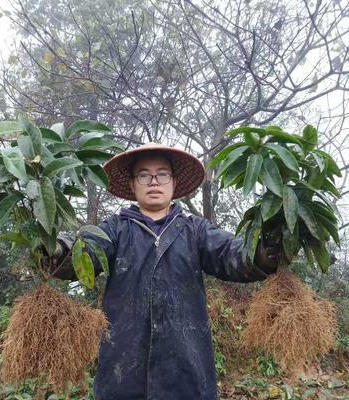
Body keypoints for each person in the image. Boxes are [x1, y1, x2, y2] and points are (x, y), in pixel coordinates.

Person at [54, 143, 279, 400]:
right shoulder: (115, 229)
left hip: (186, 370)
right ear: (132, 184)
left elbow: (231, 253)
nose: (153, 181)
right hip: (124, 370)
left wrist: (262, 253)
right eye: (143, 175)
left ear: (173, 182)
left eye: (162, 174)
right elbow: (87, 253)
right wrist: (59, 250)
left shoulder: (195, 230)